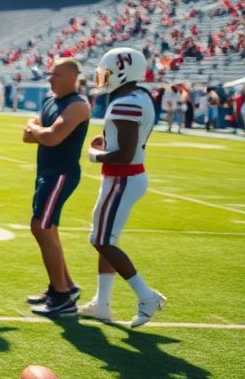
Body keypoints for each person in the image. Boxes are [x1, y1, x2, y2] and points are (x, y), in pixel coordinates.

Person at [78, 47, 165, 327]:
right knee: (106, 240)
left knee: (101, 240)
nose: (102, 78)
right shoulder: (139, 97)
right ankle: (101, 304)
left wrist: (96, 155)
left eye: (106, 72)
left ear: (121, 70)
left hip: (122, 177)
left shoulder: (125, 102)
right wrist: (108, 145)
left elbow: (125, 153)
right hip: (126, 176)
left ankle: (147, 296)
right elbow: (130, 143)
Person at [22, 58, 91, 316]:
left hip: (61, 174)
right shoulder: (51, 101)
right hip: (47, 173)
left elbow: (52, 137)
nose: (50, 78)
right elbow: (28, 135)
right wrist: (39, 130)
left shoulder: (78, 105)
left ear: (72, 78)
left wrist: (36, 128)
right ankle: (64, 287)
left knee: (40, 226)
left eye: (56, 74)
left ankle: (62, 298)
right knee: (48, 228)